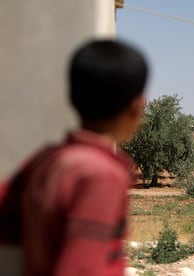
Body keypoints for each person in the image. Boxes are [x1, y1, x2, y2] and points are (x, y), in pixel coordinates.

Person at [0, 39, 149, 275]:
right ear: (137, 106)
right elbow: (82, 269)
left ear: (70, 97)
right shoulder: (101, 176)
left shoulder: (46, 159)